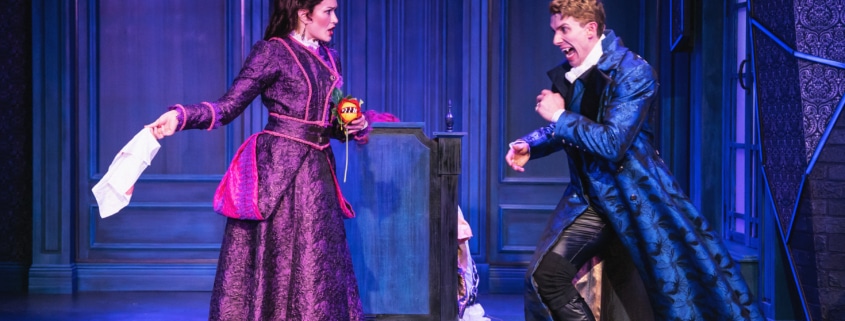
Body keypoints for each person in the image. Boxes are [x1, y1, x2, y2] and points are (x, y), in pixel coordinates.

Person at [505, 0, 763, 320]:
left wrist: (558, 114)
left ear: (590, 29)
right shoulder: (580, 72)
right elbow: (575, 127)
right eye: (555, 30)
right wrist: (531, 144)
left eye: (563, 29)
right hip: (588, 196)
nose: (556, 39)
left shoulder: (633, 72)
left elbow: (612, 142)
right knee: (548, 278)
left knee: (555, 278)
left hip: (628, 197)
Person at [146, 0, 368, 320]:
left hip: (318, 176)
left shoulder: (331, 59)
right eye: (327, 11)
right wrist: (181, 116)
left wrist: (352, 127)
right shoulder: (273, 51)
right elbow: (228, 106)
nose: (335, 19)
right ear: (303, 14)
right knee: (278, 266)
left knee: (317, 264)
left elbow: (324, 123)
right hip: (280, 176)